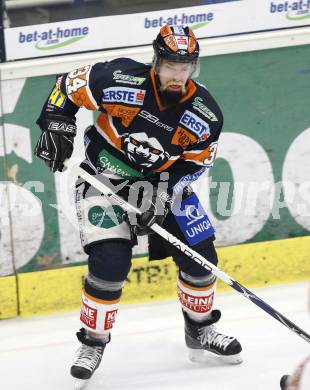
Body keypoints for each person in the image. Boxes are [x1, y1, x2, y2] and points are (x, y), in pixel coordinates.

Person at [34, 24, 242, 384]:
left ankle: (199, 328)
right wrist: (56, 123)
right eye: (171, 65)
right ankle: (93, 342)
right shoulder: (118, 78)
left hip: (162, 183)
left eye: (185, 66)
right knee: (110, 263)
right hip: (105, 179)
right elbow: (66, 86)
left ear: (194, 67)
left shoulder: (205, 113)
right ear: (156, 61)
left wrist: (162, 195)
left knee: (202, 256)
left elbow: (196, 164)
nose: (178, 75)